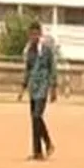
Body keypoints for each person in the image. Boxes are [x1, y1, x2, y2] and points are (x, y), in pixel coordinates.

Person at [19, 21, 57, 160]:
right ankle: (37, 152)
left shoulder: (46, 50)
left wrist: (53, 88)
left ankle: (48, 142)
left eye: (36, 34)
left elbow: (52, 68)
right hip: (33, 88)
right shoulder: (29, 51)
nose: (33, 37)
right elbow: (27, 70)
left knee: (37, 116)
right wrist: (22, 88)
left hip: (43, 87)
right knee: (34, 119)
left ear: (40, 34)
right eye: (31, 34)